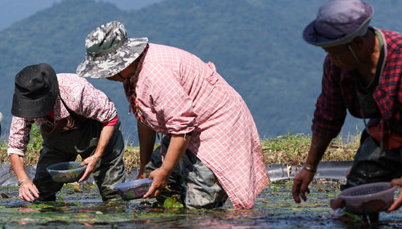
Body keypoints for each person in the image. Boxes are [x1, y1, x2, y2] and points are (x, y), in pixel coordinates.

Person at [76, 21, 269, 209]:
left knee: (201, 203)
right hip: (187, 127)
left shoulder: (155, 75)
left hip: (217, 127)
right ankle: (173, 225)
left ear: (119, 64)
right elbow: (145, 121)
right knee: (153, 175)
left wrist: (166, 171)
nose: (105, 77)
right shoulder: (132, 75)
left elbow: (182, 130)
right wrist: (144, 166)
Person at [291, 0, 402, 220]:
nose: (331, 60)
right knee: (357, 198)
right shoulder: (337, 66)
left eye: (335, 52)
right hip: (390, 128)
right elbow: (328, 115)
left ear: (358, 45)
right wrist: (309, 168)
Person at [8, 63, 127, 202]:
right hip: (57, 142)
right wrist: (23, 180)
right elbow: (15, 146)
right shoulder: (24, 103)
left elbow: (110, 118)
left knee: (113, 193)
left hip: (96, 132)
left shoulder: (76, 91)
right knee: (40, 193)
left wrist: (97, 156)